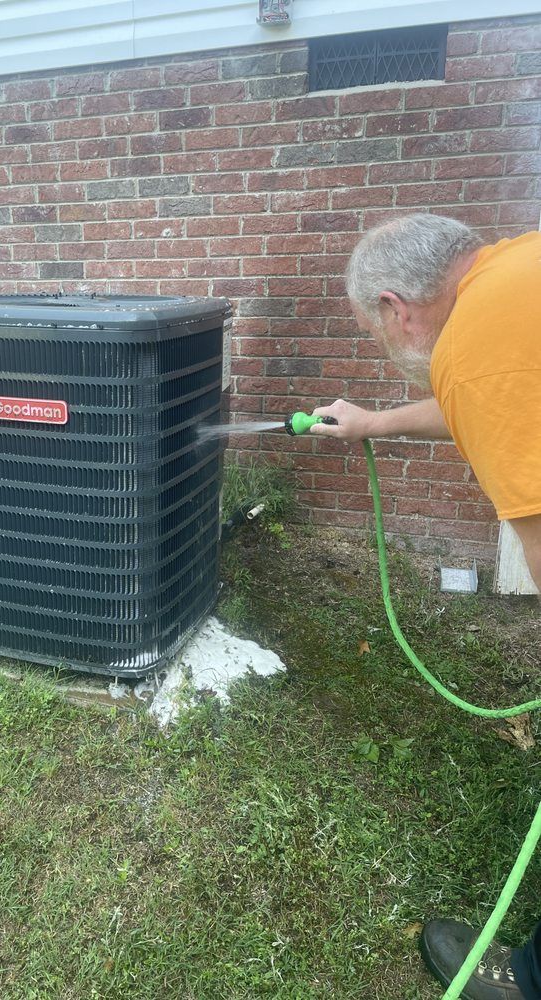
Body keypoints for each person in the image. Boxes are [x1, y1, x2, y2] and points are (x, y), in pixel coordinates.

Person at [308, 213, 541, 1000]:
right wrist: (375, 422)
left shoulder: (477, 351)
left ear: (395, 306)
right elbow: (473, 397)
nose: (383, 342)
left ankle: (527, 981)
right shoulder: (514, 277)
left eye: (371, 328)